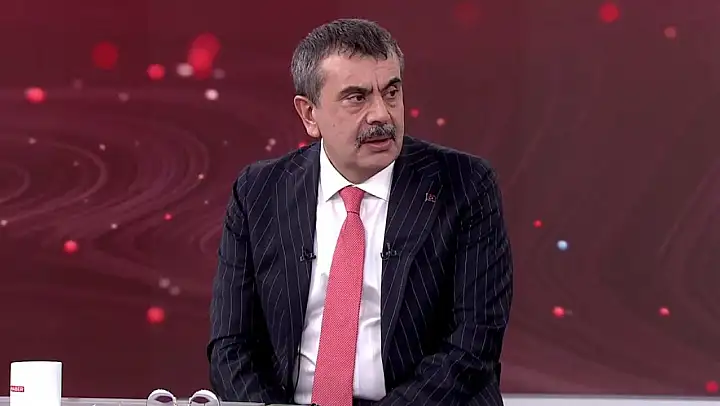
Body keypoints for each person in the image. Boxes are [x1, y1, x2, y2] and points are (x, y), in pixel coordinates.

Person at [208, 18, 513, 406]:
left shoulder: (465, 185)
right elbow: (231, 347)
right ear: (309, 114)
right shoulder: (259, 192)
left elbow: (473, 344)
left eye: (391, 92)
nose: (382, 114)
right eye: (357, 98)